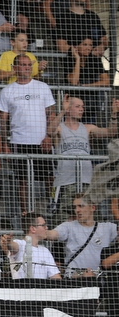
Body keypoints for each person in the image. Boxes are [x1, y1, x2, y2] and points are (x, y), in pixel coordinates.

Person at [0, 54, 57, 211]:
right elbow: (2, 120)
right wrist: (5, 144)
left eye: (29, 65)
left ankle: (52, 205)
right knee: (23, 180)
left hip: (42, 141)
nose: (27, 68)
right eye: (23, 65)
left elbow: (51, 113)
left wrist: (49, 137)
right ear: (15, 68)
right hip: (18, 142)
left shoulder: (42, 87)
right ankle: (26, 213)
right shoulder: (7, 91)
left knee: (49, 177)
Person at [48, 95, 119, 227]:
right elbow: (50, 131)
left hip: (86, 180)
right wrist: (62, 111)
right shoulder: (60, 128)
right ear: (69, 109)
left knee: (87, 218)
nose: (81, 109)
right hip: (65, 181)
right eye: (77, 106)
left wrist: (114, 114)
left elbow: (111, 132)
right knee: (63, 217)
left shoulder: (88, 128)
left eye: (82, 107)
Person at [46, 194, 117, 276]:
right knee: (87, 275)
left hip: (99, 276)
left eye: (81, 206)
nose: (77, 210)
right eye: (75, 207)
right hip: (75, 275)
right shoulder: (68, 226)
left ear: (92, 208)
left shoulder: (107, 228)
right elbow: (52, 234)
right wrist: (39, 229)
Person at [0, 213, 61, 279]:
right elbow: (13, 246)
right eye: (43, 225)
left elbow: (56, 277)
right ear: (33, 229)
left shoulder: (45, 251)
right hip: (21, 288)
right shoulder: (20, 244)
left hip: (42, 289)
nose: (47, 227)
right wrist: (9, 242)